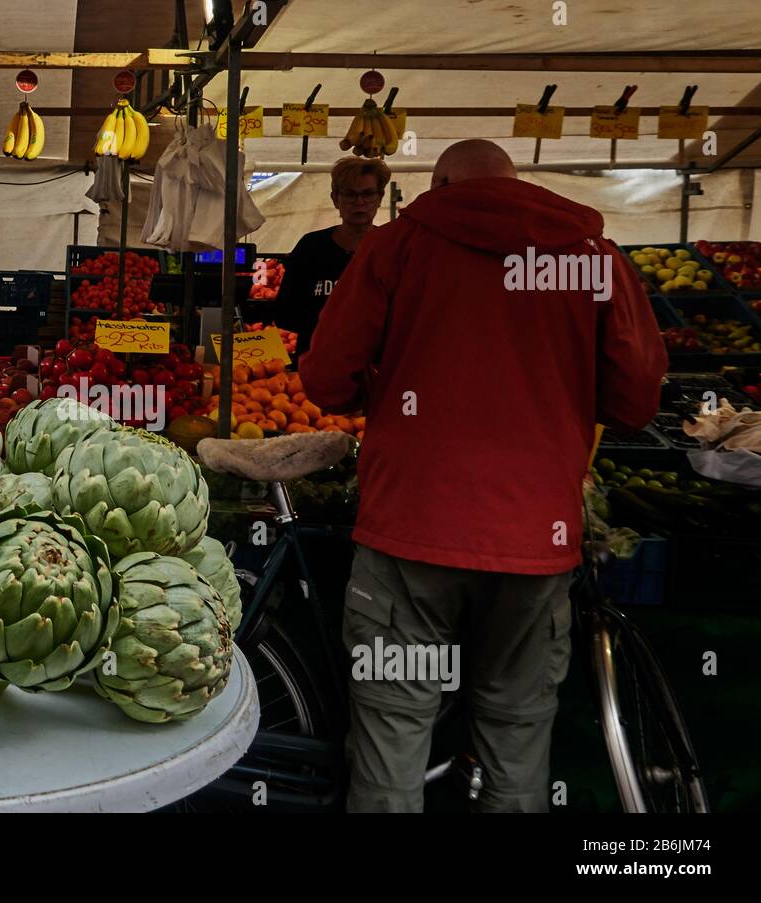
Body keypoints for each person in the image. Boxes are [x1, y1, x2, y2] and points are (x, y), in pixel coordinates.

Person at [297, 139, 666, 812]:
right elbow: (637, 400)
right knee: (517, 731)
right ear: (515, 182)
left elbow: (324, 378)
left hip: (409, 529)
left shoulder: (395, 246)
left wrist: (383, 386)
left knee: (393, 727)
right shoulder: (591, 257)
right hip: (536, 536)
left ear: (438, 183)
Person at [261, 156, 389, 364]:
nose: (359, 202)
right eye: (350, 194)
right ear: (335, 198)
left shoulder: (390, 247)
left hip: (375, 367)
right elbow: (286, 312)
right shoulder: (312, 247)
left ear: (380, 197)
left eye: (367, 194)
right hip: (318, 363)